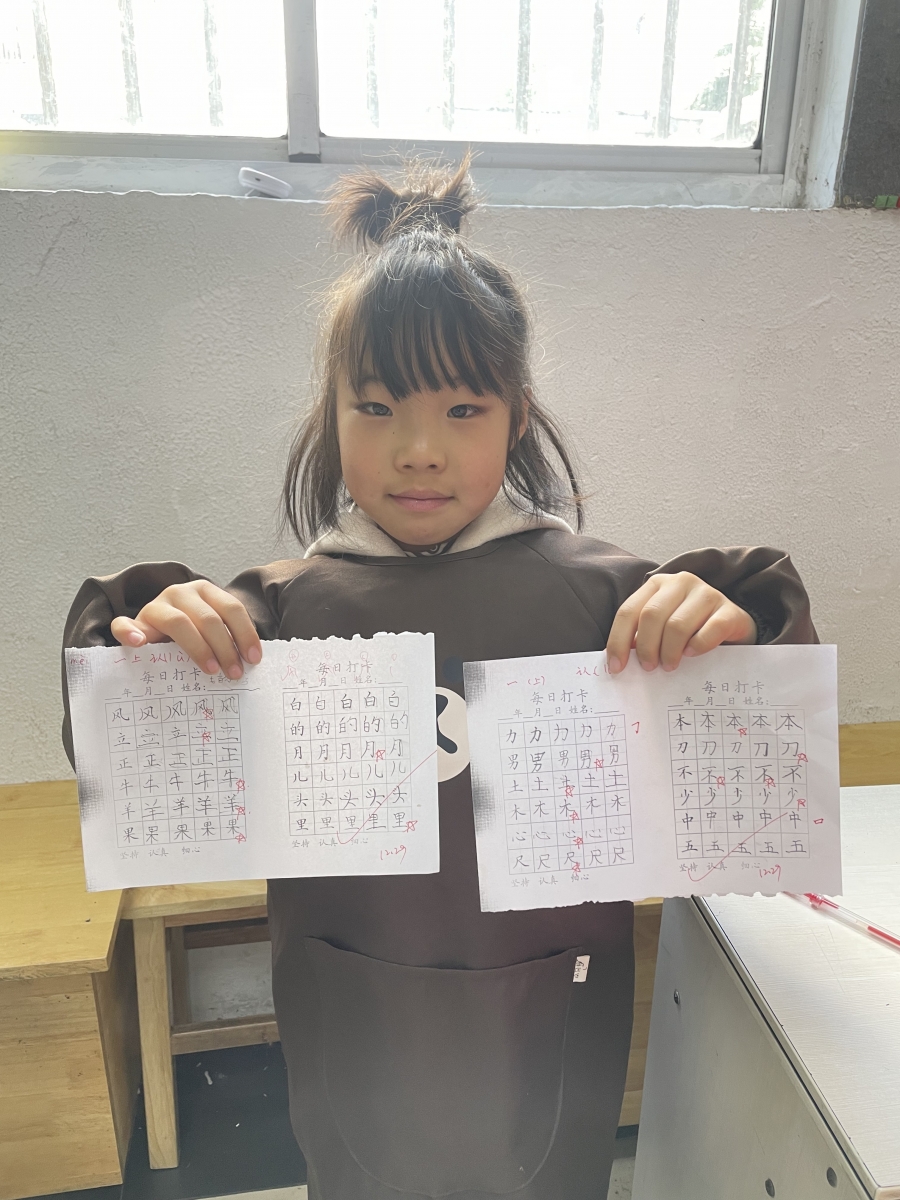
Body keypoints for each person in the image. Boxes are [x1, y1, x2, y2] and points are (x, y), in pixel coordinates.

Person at [62, 158, 816, 1200]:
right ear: (331, 415)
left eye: (463, 408)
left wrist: (730, 621)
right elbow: (115, 740)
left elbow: (770, 712)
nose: (419, 450)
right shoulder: (275, 616)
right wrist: (154, 634)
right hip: (353, 1038)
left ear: (518, 413)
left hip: (551, 1032)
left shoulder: (605, 600)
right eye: (377, 407)